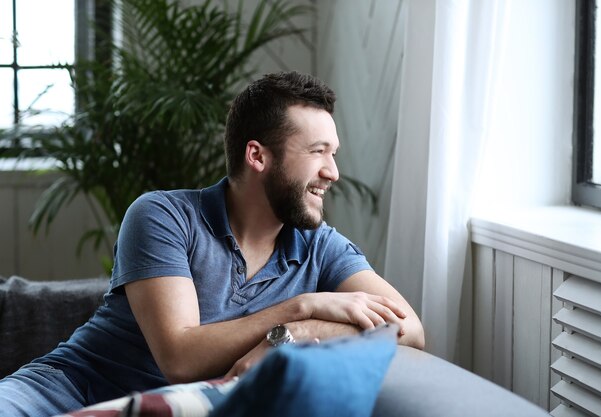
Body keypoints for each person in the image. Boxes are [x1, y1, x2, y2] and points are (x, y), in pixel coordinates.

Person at [0, 71, 424, 416]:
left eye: (334, 154)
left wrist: (295, 332)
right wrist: (304, 305)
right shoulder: (162, 215)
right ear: (257, 156)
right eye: (318, 152)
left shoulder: (321, 248)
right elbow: (180, 359)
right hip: (61, 394)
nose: (333, 172)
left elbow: (410, 329)